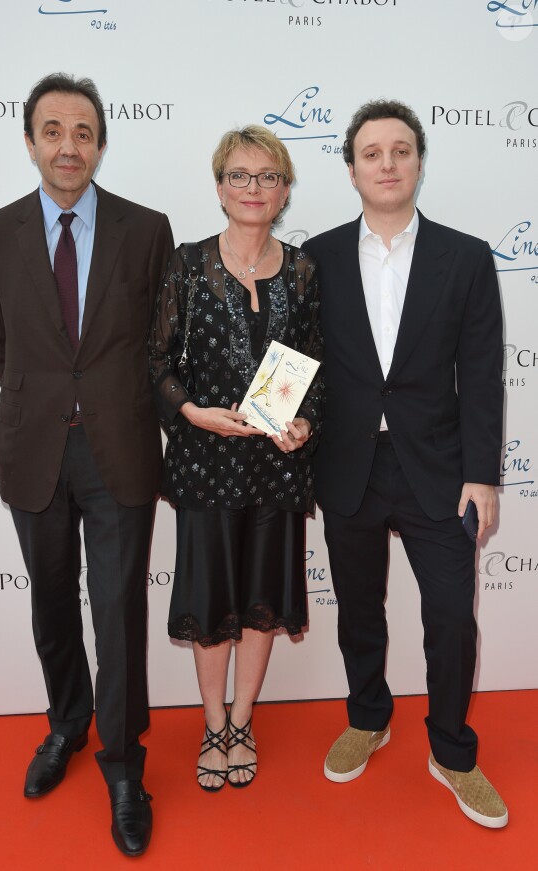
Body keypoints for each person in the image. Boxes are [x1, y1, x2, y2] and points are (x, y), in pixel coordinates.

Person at [0, 73, 173, 856]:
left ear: (99, 143)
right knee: (51, 601)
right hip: (34, 447)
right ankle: (67, 723)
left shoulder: (145, 228)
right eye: (52, 130)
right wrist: (47, 399)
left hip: (119, 447)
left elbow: (157, 343)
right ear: (30, 141)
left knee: (119, 614)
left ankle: (124, 766)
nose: (68, 145)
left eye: (83, 131)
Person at [302, 99, 507, 828]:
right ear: (352, 167)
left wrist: (483, 473)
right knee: (359, 610)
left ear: (419, 161)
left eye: (400, 150)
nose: (386, 164)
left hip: (441, 470)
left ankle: (452, 750)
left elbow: (482, 373)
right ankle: (368, 715)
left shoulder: (467, 255)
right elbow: (298, 360)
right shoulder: (316, 257)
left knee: (452, 616)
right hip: (348, 464)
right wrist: (279, 426)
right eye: (371, 153)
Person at [150, 125, 322, 791]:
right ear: (220, 186)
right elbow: (156, 362)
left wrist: (303, 421)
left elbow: (316, 368)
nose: (254, 188)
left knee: (259, 603)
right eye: (240, 175)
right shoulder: (188, 263)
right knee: (211, 601)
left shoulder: (305, 271)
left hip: (276, 468)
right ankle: (213, 720)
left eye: (267, 176)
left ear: (284, 189)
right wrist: (192, 412)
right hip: (205, 464)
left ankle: (243, 721)